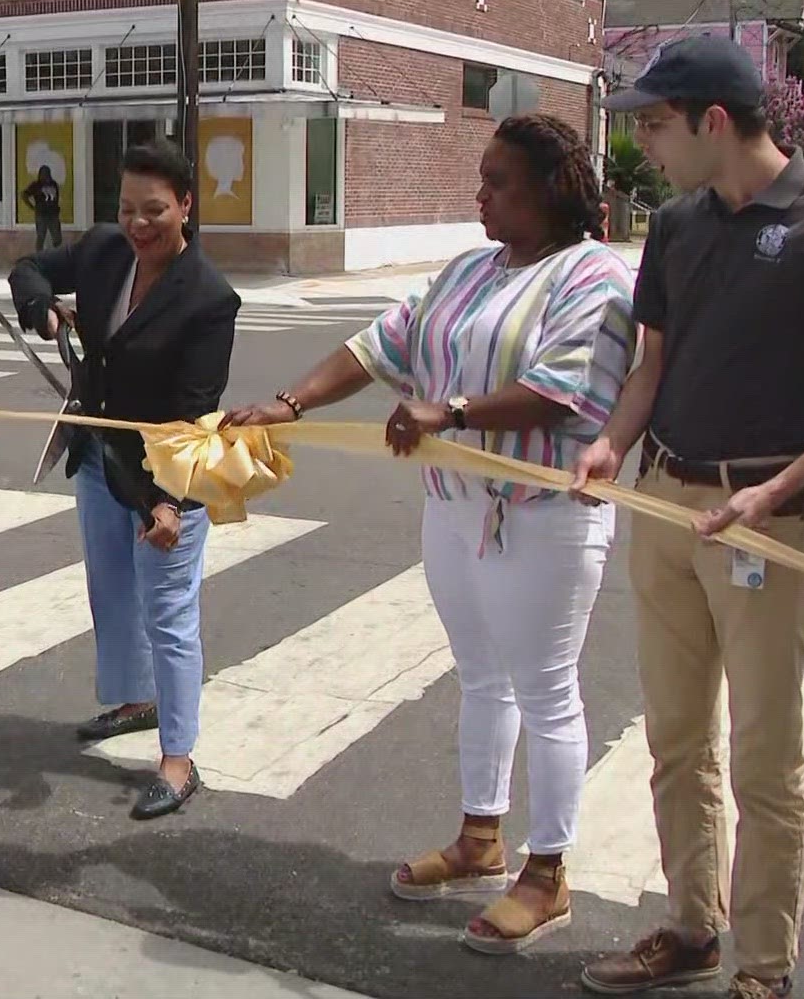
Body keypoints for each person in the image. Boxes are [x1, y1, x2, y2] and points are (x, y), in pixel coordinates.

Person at [223, 113, 634, 953]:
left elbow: (560, 390)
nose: (479, 197)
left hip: (543, 517)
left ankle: (548, 871)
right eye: (480, 181)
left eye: (498, 183)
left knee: (546, 690)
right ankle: (480, 837)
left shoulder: (593, 276)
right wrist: (290, 404)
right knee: (482, 679)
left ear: (551, 189)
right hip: (453, 506)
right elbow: (380, 346)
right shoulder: (469, 271)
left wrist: (449, 409)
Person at [571, 35, 804, 999]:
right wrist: (610, 442)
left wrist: (778, 485)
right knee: (675, 737)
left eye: (656, 126)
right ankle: (691, 924)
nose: (646, 148)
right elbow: (653, 366)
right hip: (664, 497)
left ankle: (766, 965)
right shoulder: (676, 227)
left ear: (716, 121)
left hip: (764, 516)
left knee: (766, 756)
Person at [7, 138, 238, 820]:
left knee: (169, 613)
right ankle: (137, 701)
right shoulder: (108, 250)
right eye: (128, 208)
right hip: (97, 456)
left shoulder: (208, 300)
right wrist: (44, 307)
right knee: (111, 592)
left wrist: (167, 505)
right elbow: (29, 268)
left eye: (156, 210)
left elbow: (195, 415)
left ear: (186, 206)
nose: (139, 224)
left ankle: (178, 756)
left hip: (164, 478)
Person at [24, 165, 63, 251]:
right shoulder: (36, 185)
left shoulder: (54, 184)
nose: (46, 175)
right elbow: (24, 195)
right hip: (41, 214)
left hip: (53, 214)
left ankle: (58, 255)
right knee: (41, 236)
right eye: (44, 173)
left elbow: (56, 197)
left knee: (57, 238)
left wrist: (56, 207)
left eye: (47, 173)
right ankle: (39, 256)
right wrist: (32, 207)